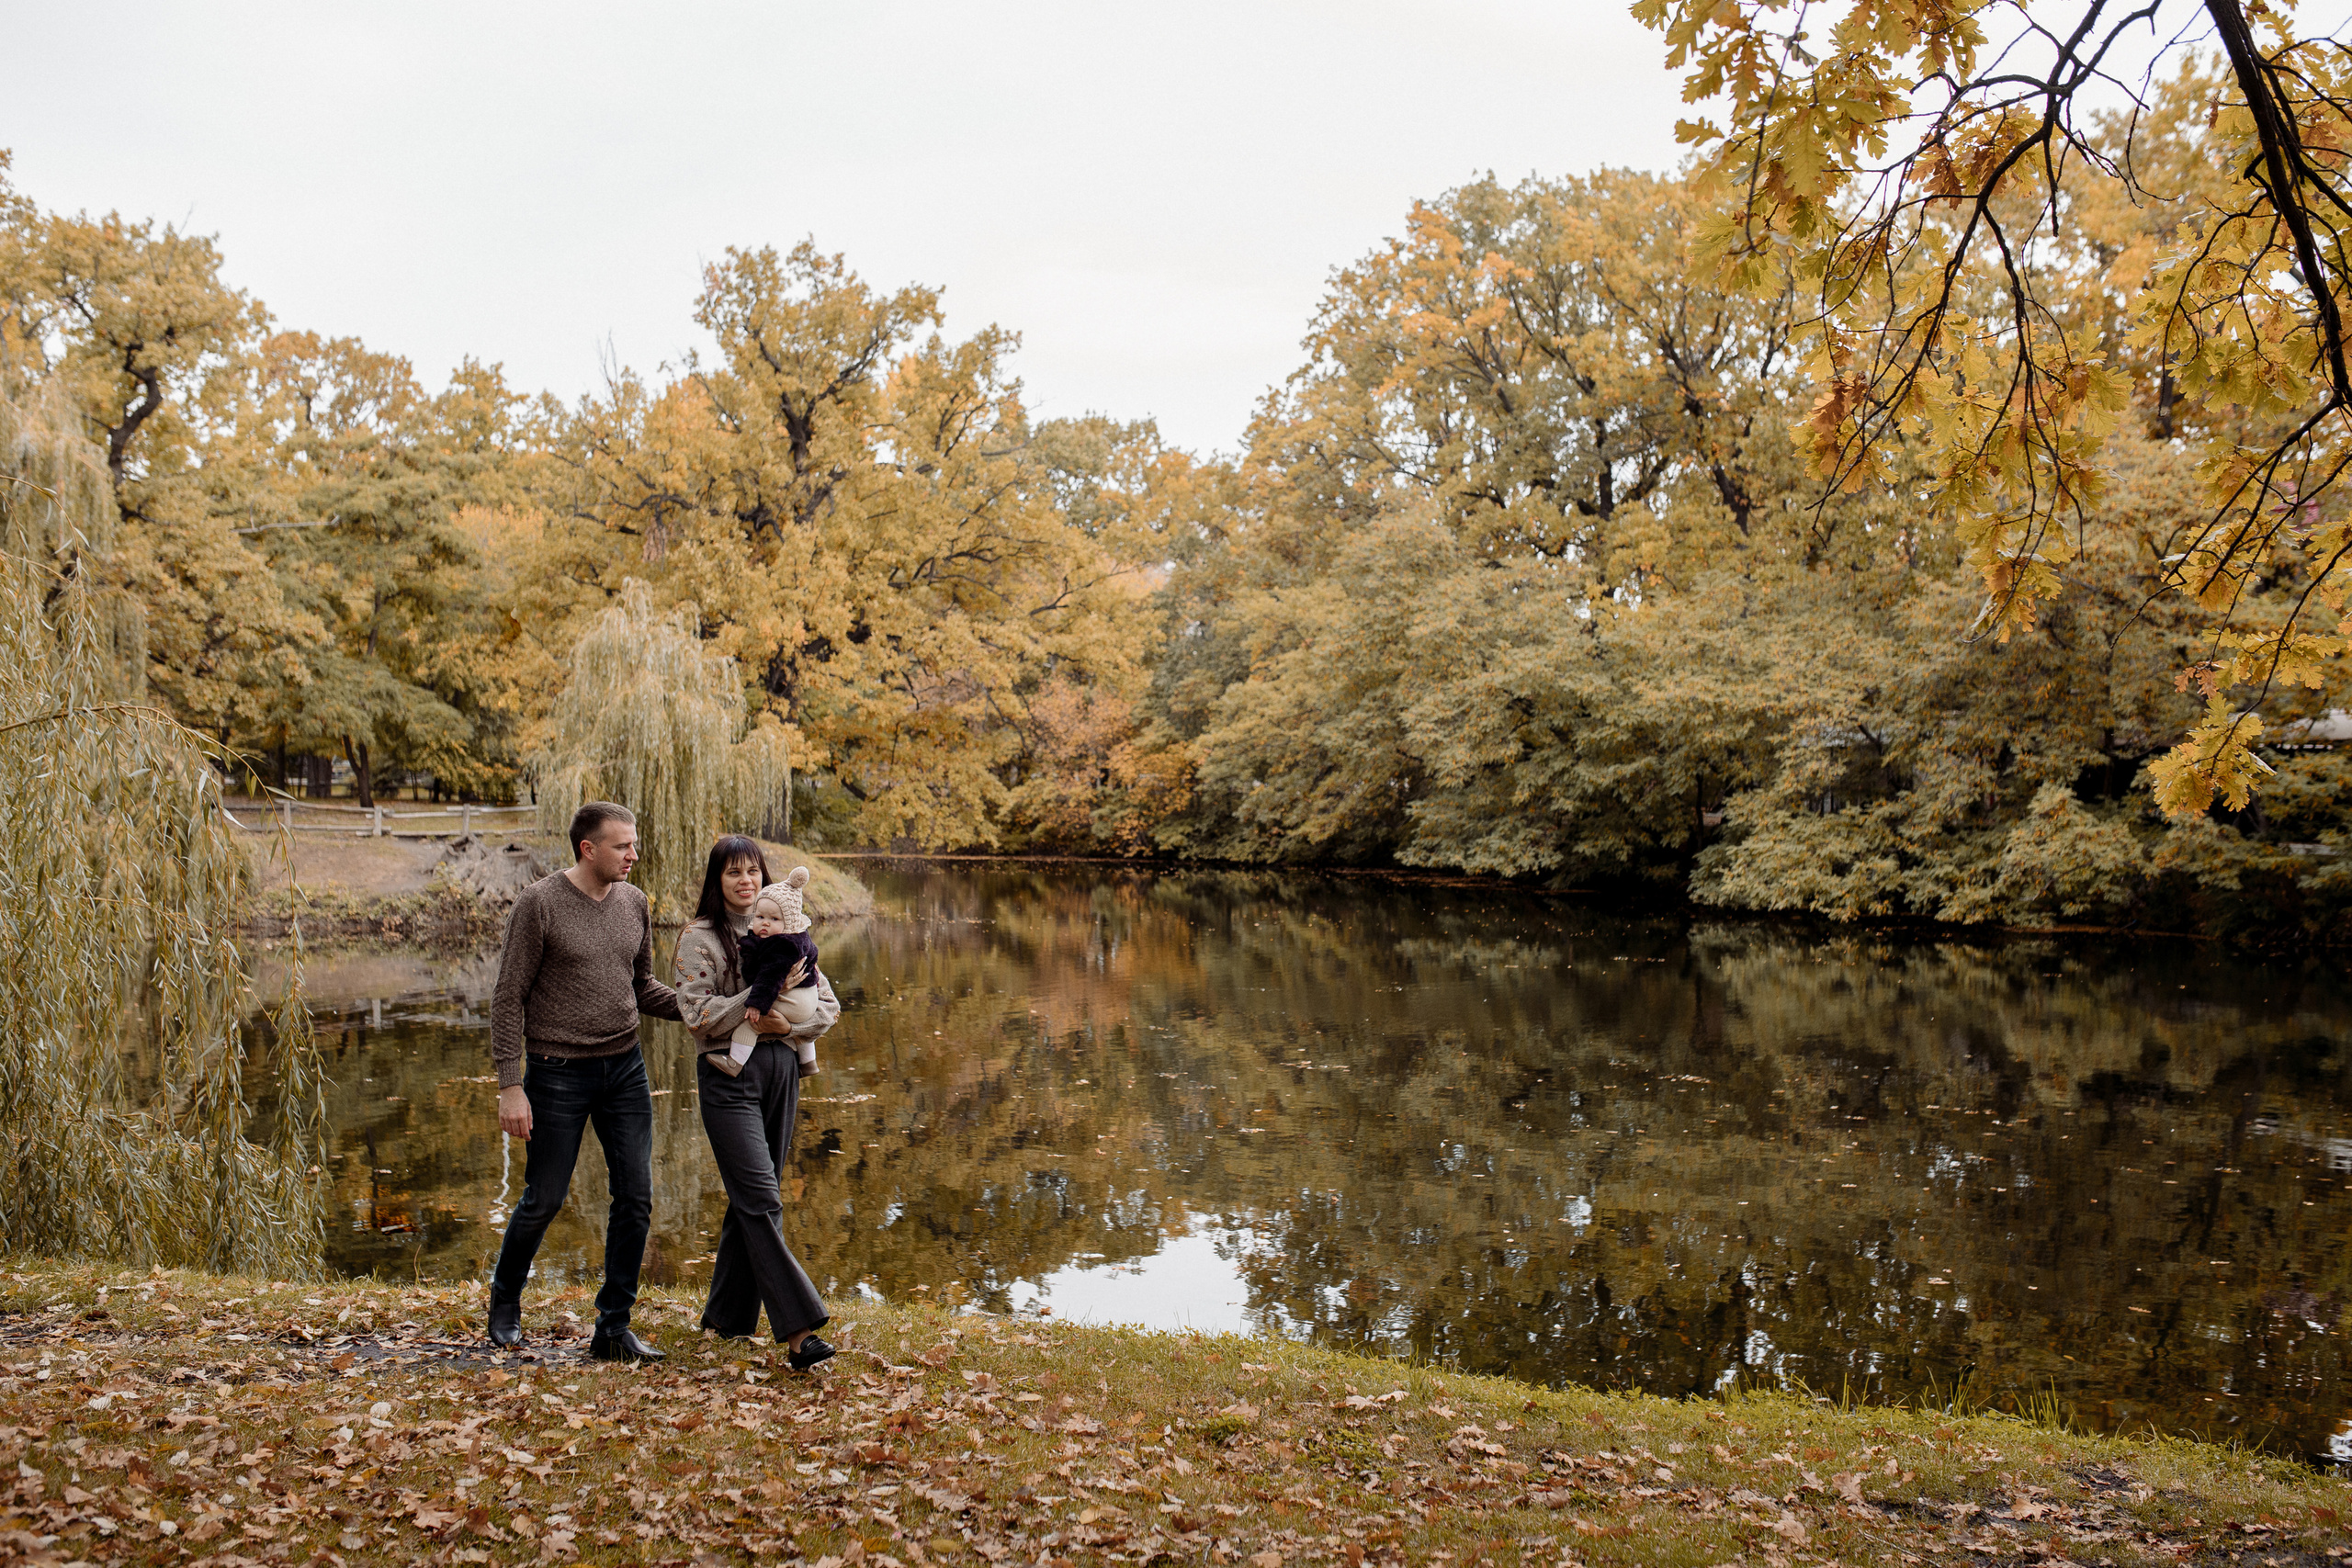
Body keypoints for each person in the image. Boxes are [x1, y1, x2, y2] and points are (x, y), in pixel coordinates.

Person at [485, 801, 683, 1363]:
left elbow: (641, 986)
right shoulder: (539, 904)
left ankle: (613, 1328)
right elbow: (508, 998)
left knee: (636, 1199)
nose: (633, 855)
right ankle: (505, 1301)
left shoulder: (635, 903)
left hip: (624, 1068)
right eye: (622, 846)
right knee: (543, 1199)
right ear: (587, 849)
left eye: (635, 843)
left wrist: (699, 1009)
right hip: (555, 1074)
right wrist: (510, 1084)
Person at [673, 836, 842, 1371]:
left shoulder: (787, 926)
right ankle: (798, 1333)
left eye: (753, 871)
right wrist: (758, 999)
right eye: (733, 873)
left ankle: (726, 1316)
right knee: (763, 1197)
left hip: (782, 1070)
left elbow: (829, 1005)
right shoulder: (699, 939)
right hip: (729, 1074)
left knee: (750, 1196)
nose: (745, 882)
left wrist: (786, 1023)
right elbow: (697, 1014)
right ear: (716, 880)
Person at [707, 867, 824, 1079]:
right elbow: (814, 957)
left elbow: (769, 977)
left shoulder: (780, 945)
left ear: (787, 922)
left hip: (795, 1002)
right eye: (760, 916)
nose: (765, 923)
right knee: (803, 1031)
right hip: (809, 1000)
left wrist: (756, 1004)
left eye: (774, 919)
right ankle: (808, 1063)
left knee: (751, 1025)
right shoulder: (799, 938)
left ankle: (734, 1062)